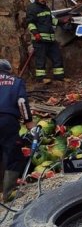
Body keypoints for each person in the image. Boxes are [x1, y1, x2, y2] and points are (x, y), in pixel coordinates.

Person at [0, 58, 33, 203]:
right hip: (7, 121)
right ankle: (7, 193)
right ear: (8, 70)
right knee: (13, 156)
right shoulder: (15, 81)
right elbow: (21, 102)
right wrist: (29, 122)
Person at [26, 0, 65, 83]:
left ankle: (59, 76)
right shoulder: (32, 8)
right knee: (41, 59)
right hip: (39, 40)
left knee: (57, 56)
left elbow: (51, 21)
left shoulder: (46, 8)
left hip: (50, 39)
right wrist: (35, 33)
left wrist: (62, 21)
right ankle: (41, 79)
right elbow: (30, 23)